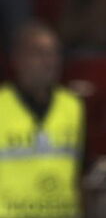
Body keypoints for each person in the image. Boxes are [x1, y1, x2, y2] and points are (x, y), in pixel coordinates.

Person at [0, 22, 84, 218]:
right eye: (38, 53)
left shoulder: (73, 107)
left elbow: (81, 172)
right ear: (17, 59)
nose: (49, 61)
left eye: (54, 53)